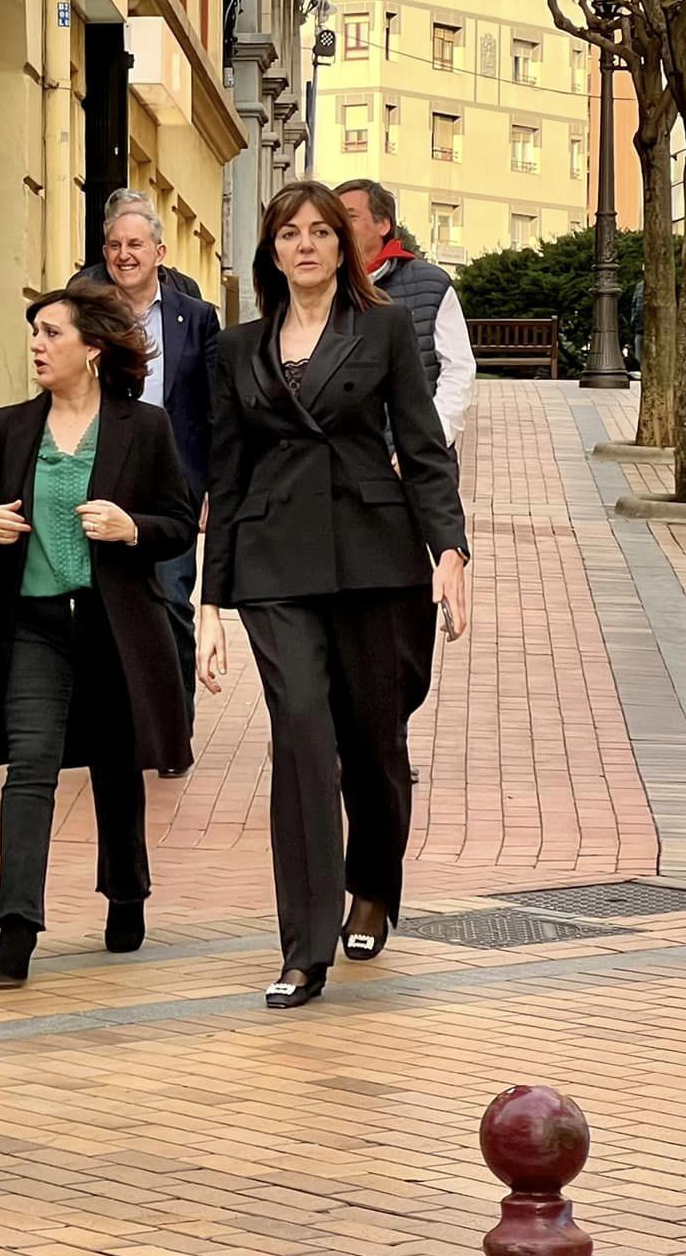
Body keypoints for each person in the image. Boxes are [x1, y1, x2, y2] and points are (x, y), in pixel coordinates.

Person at [196, 181, 470, 1011]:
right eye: (290, 232)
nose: (306, 245)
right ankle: (303, 949)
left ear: (341, 249)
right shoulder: (237, 348)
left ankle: (374, 886)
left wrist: (448, 550)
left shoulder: (382, 327)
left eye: (321, 231)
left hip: (374, 557)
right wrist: (209, 605)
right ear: (271, 250)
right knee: (303, 737)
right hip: (276, 566)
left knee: (373, 739)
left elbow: (422, 447)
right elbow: (227, 478)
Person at [0, 282, 195, 987]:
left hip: (113, 625)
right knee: (29, 769)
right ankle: (16, 925)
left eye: (52, 333)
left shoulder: (141, 429)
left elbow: (178, 523)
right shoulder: (9, 425)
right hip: (31, 624)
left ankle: (126, 891)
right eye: (34, 332)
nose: (37, 344)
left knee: (116, 769)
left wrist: (133, 528)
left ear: (92, 348)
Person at [89, 190, 218, 769]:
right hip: (103, 478)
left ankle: (172, 735)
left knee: (170, 603)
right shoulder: (86, 312)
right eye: (115, 245)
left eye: (135, 244)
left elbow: (214, 408)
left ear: (160, 251)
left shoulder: (197, 317)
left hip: (175, 487)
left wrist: (215, 486)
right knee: (106, 607)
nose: (124, 254)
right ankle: (115, 728)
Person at [335, 180, 476, 454]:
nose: (338, 227)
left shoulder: (431, 285)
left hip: (415, 458)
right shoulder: (319, 287)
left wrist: (429, 439)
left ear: (383, 225)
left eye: (349, 217)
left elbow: (457, 369)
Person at [76, 186, 207, 302]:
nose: (124, 255)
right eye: (123, 217)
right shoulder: (84, 287)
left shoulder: (185, 288)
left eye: (141, 218)